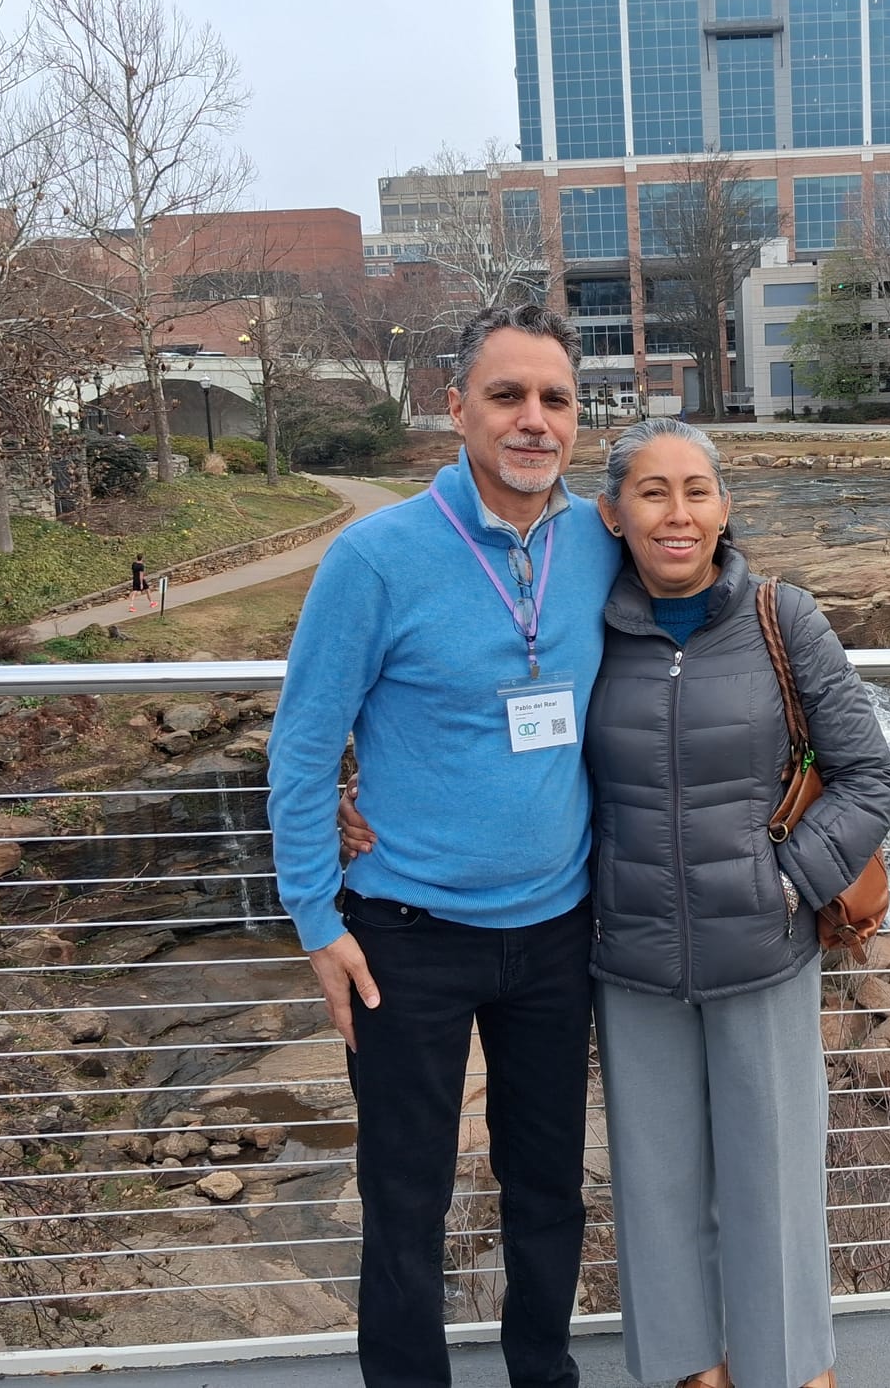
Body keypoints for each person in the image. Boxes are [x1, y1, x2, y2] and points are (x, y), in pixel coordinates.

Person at [342, 420, 890, 1388]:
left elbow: (870, 779)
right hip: (630, 958)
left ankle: (789, 1370)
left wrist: (785, 881)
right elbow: (488, 722)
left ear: (724, 507)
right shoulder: (588, 622)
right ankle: (691, 1372)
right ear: (611, 514)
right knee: (654, 1185)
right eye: (651, 492)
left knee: (773, 1181)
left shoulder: (783, 617)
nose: (676, 513)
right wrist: (365, 794)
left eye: (696, 490)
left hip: (764, 953)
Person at [266, 302, 624, 1388]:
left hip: (557, 932)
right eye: (507, 395)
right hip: (404, 938)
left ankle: (543, 1375)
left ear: (578, 417)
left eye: (555, 399)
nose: (533, 420)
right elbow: (303, 745)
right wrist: (315, 919)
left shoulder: (600, 543)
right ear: (454, 406)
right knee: (405, 1197)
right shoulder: (375, 558)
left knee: (549, 1187)